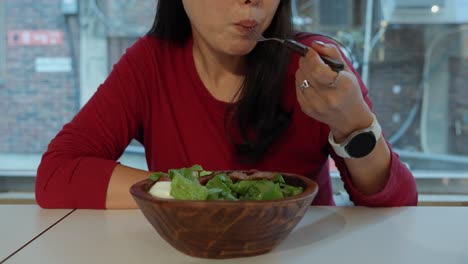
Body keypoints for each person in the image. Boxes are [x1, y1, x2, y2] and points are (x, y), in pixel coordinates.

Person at [35, 0, 418, 209]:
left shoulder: (312, 68)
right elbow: (57, 175)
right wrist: (198, 194)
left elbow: (395, 203)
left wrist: (353, 123)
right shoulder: (150, 64)